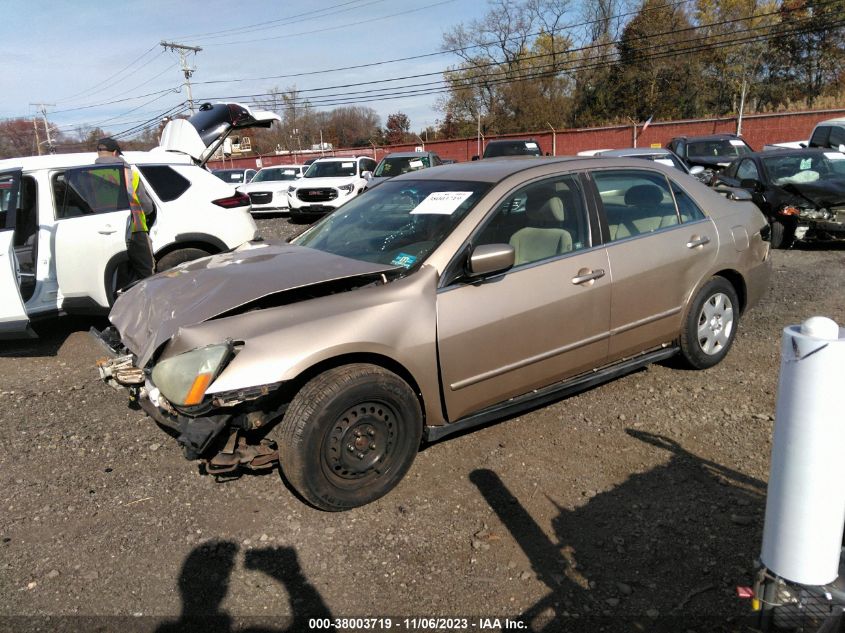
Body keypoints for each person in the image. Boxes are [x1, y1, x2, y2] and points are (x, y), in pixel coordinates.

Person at [95, 137, 156, 286]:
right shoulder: (129, 174)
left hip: (100, 232)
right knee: (147, 273)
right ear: (115, 153)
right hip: (134, 229)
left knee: (116, 277)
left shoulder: (86, 174)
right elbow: (147, 206)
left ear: (98, 153)